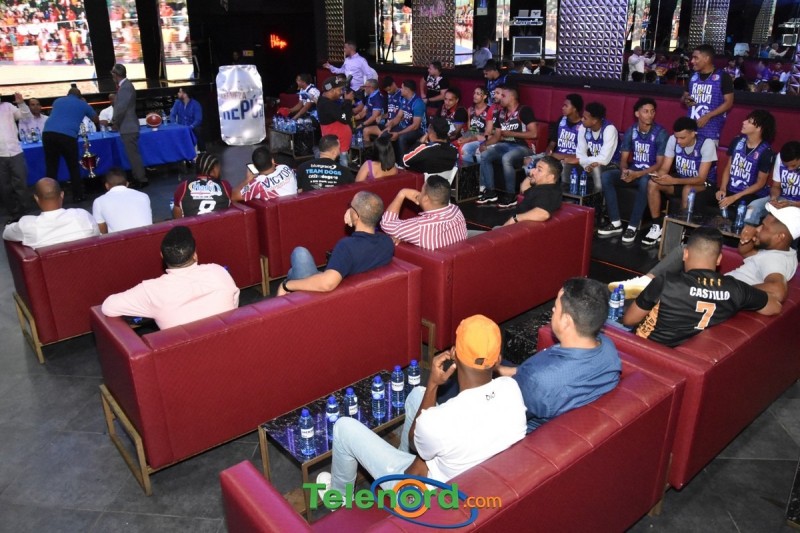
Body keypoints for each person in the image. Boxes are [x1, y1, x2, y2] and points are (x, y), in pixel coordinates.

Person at [316, 314, 526, 498]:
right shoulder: (511, 389)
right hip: (476, 478)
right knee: (418, 394)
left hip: (424, 494)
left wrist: (433, 383)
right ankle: (399, 454)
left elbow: (415, 442)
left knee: (343, 427)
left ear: (454, 353)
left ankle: (338, 497)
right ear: (498, 359)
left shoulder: (440, 422)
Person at [621, 227, 781, 347]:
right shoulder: (736, 289)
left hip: (646, 351)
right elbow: (775, 306)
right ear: (718, 259)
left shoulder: (665, 282)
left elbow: (629, 320)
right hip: (685, 352)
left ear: (685, 254)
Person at [496, 278, 621, 431]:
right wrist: (500, 370)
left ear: (566, 321)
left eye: (555, 307)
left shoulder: (539, 381)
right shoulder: (608, 348)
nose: (553, 310)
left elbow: (502, 414)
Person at [612, 204, 800, 304]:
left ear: (780, 236)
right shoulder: (782, 252)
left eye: (764, 227)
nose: (758, 229)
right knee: (688, 250)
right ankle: (645, 283)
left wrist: (729, 289)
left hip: (719, 292)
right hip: (720, 288)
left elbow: (778, 291)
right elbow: (746, 253)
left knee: (684, 258)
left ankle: (647, 286)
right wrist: (748, 238)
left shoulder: (775, 261)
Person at [101, 226, 239, 330]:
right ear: (195, 254)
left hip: (183, 357)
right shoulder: (218, 271)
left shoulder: (152, 291)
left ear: (162, 256)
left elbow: (108, 306)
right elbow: (234, 305)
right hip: (231, 345)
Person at [277, 191, 394, 295]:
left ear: (355, 215)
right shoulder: (387, 242)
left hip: (326, 299)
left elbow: (327, 284)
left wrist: (286, 285)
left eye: (350, 206)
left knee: (299, 253)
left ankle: (292, 289)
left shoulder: (347, 247)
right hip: (354, 292)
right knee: (293, 270)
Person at [598, 98, 668, 243]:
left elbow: (659, 164)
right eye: (646, 111)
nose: (650, 115)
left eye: (652, 111)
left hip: (650, 173)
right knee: (606, 176)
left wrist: (638, 174)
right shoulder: (631, 130)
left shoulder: (660, 133)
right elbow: (624, 159)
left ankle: (632, 226)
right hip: (634, 171)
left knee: (644, 182)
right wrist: (625, 170)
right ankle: (615, 222)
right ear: (637, 113)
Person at [642, 117, 717, 247]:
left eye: (682, 138)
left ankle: (681, 230)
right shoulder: (673, 140)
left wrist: (674, 180)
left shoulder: (707, 144)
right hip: (681, 180)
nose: (678, 141)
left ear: (693, 133)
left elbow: (701, 178)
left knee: (688, 189)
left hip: (704, 184)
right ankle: (657, 226)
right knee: (652, 184)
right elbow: (665, 168)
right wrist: (658, 176)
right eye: (677, 137)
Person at [476, 85, 537, 208]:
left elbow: (534, 133)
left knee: (507, 158)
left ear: (512, 97)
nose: (501, 98)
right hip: (506, 145)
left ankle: (510, 195)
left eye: (503, 96)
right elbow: (497, 136)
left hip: (524, 147)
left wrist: (512, 133)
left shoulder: (524, 110)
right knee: (485, 155)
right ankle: (490, 192)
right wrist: (485, 144)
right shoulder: (501, 113)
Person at [716, 110, 775, 225]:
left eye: (749, 121)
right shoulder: (737, 141)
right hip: (730, 188)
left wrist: (734, 197)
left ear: (759, 128)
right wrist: (722, 189)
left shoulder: (766, 152)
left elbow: (760, 183)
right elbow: (728, 168)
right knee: (703, 197)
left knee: (741, 208)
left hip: (749, 194)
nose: (744, 122)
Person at [3, 177, 99, 249]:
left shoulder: (27, 224)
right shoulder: (82, 215)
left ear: (36, 198)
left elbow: (6, 234)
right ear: (62, 195)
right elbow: (98, 236)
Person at [380, 175, 467, 250]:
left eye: (421, 191)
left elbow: (387, 224)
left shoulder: (420, 227)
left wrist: (402, 193)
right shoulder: (456, 211)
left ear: (426, 199)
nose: (419, 193)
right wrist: (404, 237)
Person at [42, 87, 98, 202]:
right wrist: (85, 105)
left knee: (51, 166)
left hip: (48, 134)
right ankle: (78, 195)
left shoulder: (58, 101)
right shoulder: (82, 104)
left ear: (67, 94)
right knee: (73, 166)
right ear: (80, 96)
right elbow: (96, 119)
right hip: (67, 136)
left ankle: (49, 196)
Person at [682, 44, 734, 144]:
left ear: (706, 59)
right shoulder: (693, 77)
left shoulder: (723, 77)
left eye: (696, 58)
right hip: (690, 129)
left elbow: (729, 103)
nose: (692, 61)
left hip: (711, 130)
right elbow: (684, 97)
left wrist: (708, 116)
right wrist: (686, 99)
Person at [110, 63, 147, 188]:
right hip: (128, 126)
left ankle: (141, 179)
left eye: (113, 74)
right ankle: (138, 177)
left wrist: (114, 121)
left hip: (128, 127)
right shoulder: (125, 86)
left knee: (133, 155)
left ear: (116, 74)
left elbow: (121, 108)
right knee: (132, 155)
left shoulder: (125, 87)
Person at [746, 141, 800, 224]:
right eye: (786, 166)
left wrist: (791, 204)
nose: (789, 169)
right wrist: (774, 198)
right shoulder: (779, 157)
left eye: (793, 166)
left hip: (797, 204)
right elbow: (776, 186)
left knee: (773, 220)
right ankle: (747, 230)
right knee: (752, 208)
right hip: (782, 199)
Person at [502, 155, 563, 226]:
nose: (533, 171)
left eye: (539, 170)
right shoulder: (547, 187)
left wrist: (515, 218)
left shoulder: (548, 193)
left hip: (513, 228)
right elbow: (524, 189)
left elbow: (543, 214)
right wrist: (530, 176)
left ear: (550, 177)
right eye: (535, 168)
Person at [0, 91, 33, 223]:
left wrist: (22, 104)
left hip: (15, 152)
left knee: (21, 184)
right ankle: (13, 213)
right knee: (4, 187)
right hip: (0, 155)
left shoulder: (8, 106)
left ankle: (25, 212)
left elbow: (26, 116)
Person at [92, 167, 152, 234]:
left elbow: (101, 231)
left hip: (121, 239)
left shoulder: (98, 202)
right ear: (127, 183)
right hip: (149, 238)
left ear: (106, 185)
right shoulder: (144, 196)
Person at [173, 152, 232, 218]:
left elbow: (178, 218)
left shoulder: (183, 187)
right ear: (214, 169)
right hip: (219, 223)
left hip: (193, 224)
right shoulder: (225, 185)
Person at [576, 102, 619, 192]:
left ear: (594, 121)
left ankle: (598, 198)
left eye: (585, 118)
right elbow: (580, 154)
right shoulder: (583, 128)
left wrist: (584, 161)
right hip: (592, 163)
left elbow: (604, 160)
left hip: (613, 165)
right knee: (566, 165)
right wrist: (586, 165)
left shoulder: (609, 129)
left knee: (596, 169)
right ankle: (569, 197)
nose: (582, 119)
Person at [382, 80, 426, 166]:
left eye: (402, 88)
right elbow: (398, 117)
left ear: (407, 90)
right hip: (405, 126)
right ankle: (390, 162)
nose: (400, 89)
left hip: (418, 130)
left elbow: (415, 126)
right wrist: (390, 126)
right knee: (386, 134)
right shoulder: (404, 100)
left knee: (402, 138)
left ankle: (403, 165)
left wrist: (398, 133)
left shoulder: (418, 103)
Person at [232, 146, 297, 202]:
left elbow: (233, 196)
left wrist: (248, 180)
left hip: (277, 211)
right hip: (296, 207)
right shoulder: (286, 168)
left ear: (255, 167)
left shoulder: (257, 185)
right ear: (272, 161)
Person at [316, 76, 353, 167]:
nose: (341, 92)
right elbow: (345, 118)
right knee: (342, 168)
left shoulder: (326, 101)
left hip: (339, 145)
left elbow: (339, 112)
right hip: (336, 146)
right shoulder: (326, 104)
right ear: (332, 91)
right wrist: (348, 101)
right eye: (340, 90)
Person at [547, 93, 583, 184]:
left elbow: (583, 154)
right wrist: (549, 152)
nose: (562, 108)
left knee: (563, 166)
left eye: (566, 106)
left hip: (571, 160)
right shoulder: (561, 120)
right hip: (555, 156)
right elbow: (552, 143)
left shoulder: (584, 125)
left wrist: (560, 156)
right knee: (530, 161)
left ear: (574, 109)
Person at [363, 76, 401, 143]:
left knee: (381, 137)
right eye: (387, 91)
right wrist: (381, 116)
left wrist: (391, 123)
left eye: (389, 90)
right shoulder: (389, 95)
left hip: (396, 125)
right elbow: (390, 113)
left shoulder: (402, 95)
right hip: (387, 124)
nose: (388, 92)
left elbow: (402, 115)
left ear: (393, 84)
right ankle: (368, 150)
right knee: (366, 130)